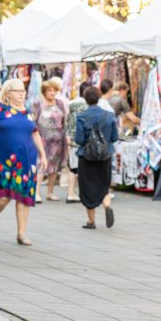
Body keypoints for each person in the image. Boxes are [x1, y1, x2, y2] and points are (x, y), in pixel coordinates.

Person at [0, 78, 48, 246]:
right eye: (18, 91)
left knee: (23, 197)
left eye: (23, 91)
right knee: (2, 198)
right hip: (3, 161)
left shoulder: (27, 111)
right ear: (8, 93)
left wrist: (43, 155)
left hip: (26, 161)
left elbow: (35, 133)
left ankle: (21, 233)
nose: (22, 94)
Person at [75, 86, 118, 229]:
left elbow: (79, 139)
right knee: (103, 185)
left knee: (87, 188)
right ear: (99, 97)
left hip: (86, 157)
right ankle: (106, 207)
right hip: (105, 156)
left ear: (85, 99)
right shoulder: (109, 115)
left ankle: (91, 221)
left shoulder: (81, 116)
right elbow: (114, 137)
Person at [32, 80, 68, 201]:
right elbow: (33, 121)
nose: (52, 93)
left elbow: (64, 120)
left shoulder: (60, 103)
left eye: (54, 90)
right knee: (40, 164)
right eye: (49, 90)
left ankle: (50, 192)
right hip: (42, 139)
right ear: (44, 91)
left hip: (58, 139)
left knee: (54, 166)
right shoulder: (38, 103)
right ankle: (36, 192)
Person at [65, 81, 91, 203]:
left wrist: (67, 134)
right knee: (85, 167)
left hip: (73, 138)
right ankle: (84, 192)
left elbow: (66, 119)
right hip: (86, 139)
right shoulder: (90, 104)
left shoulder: (71, 103)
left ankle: (70, 193)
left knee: (73, 167)